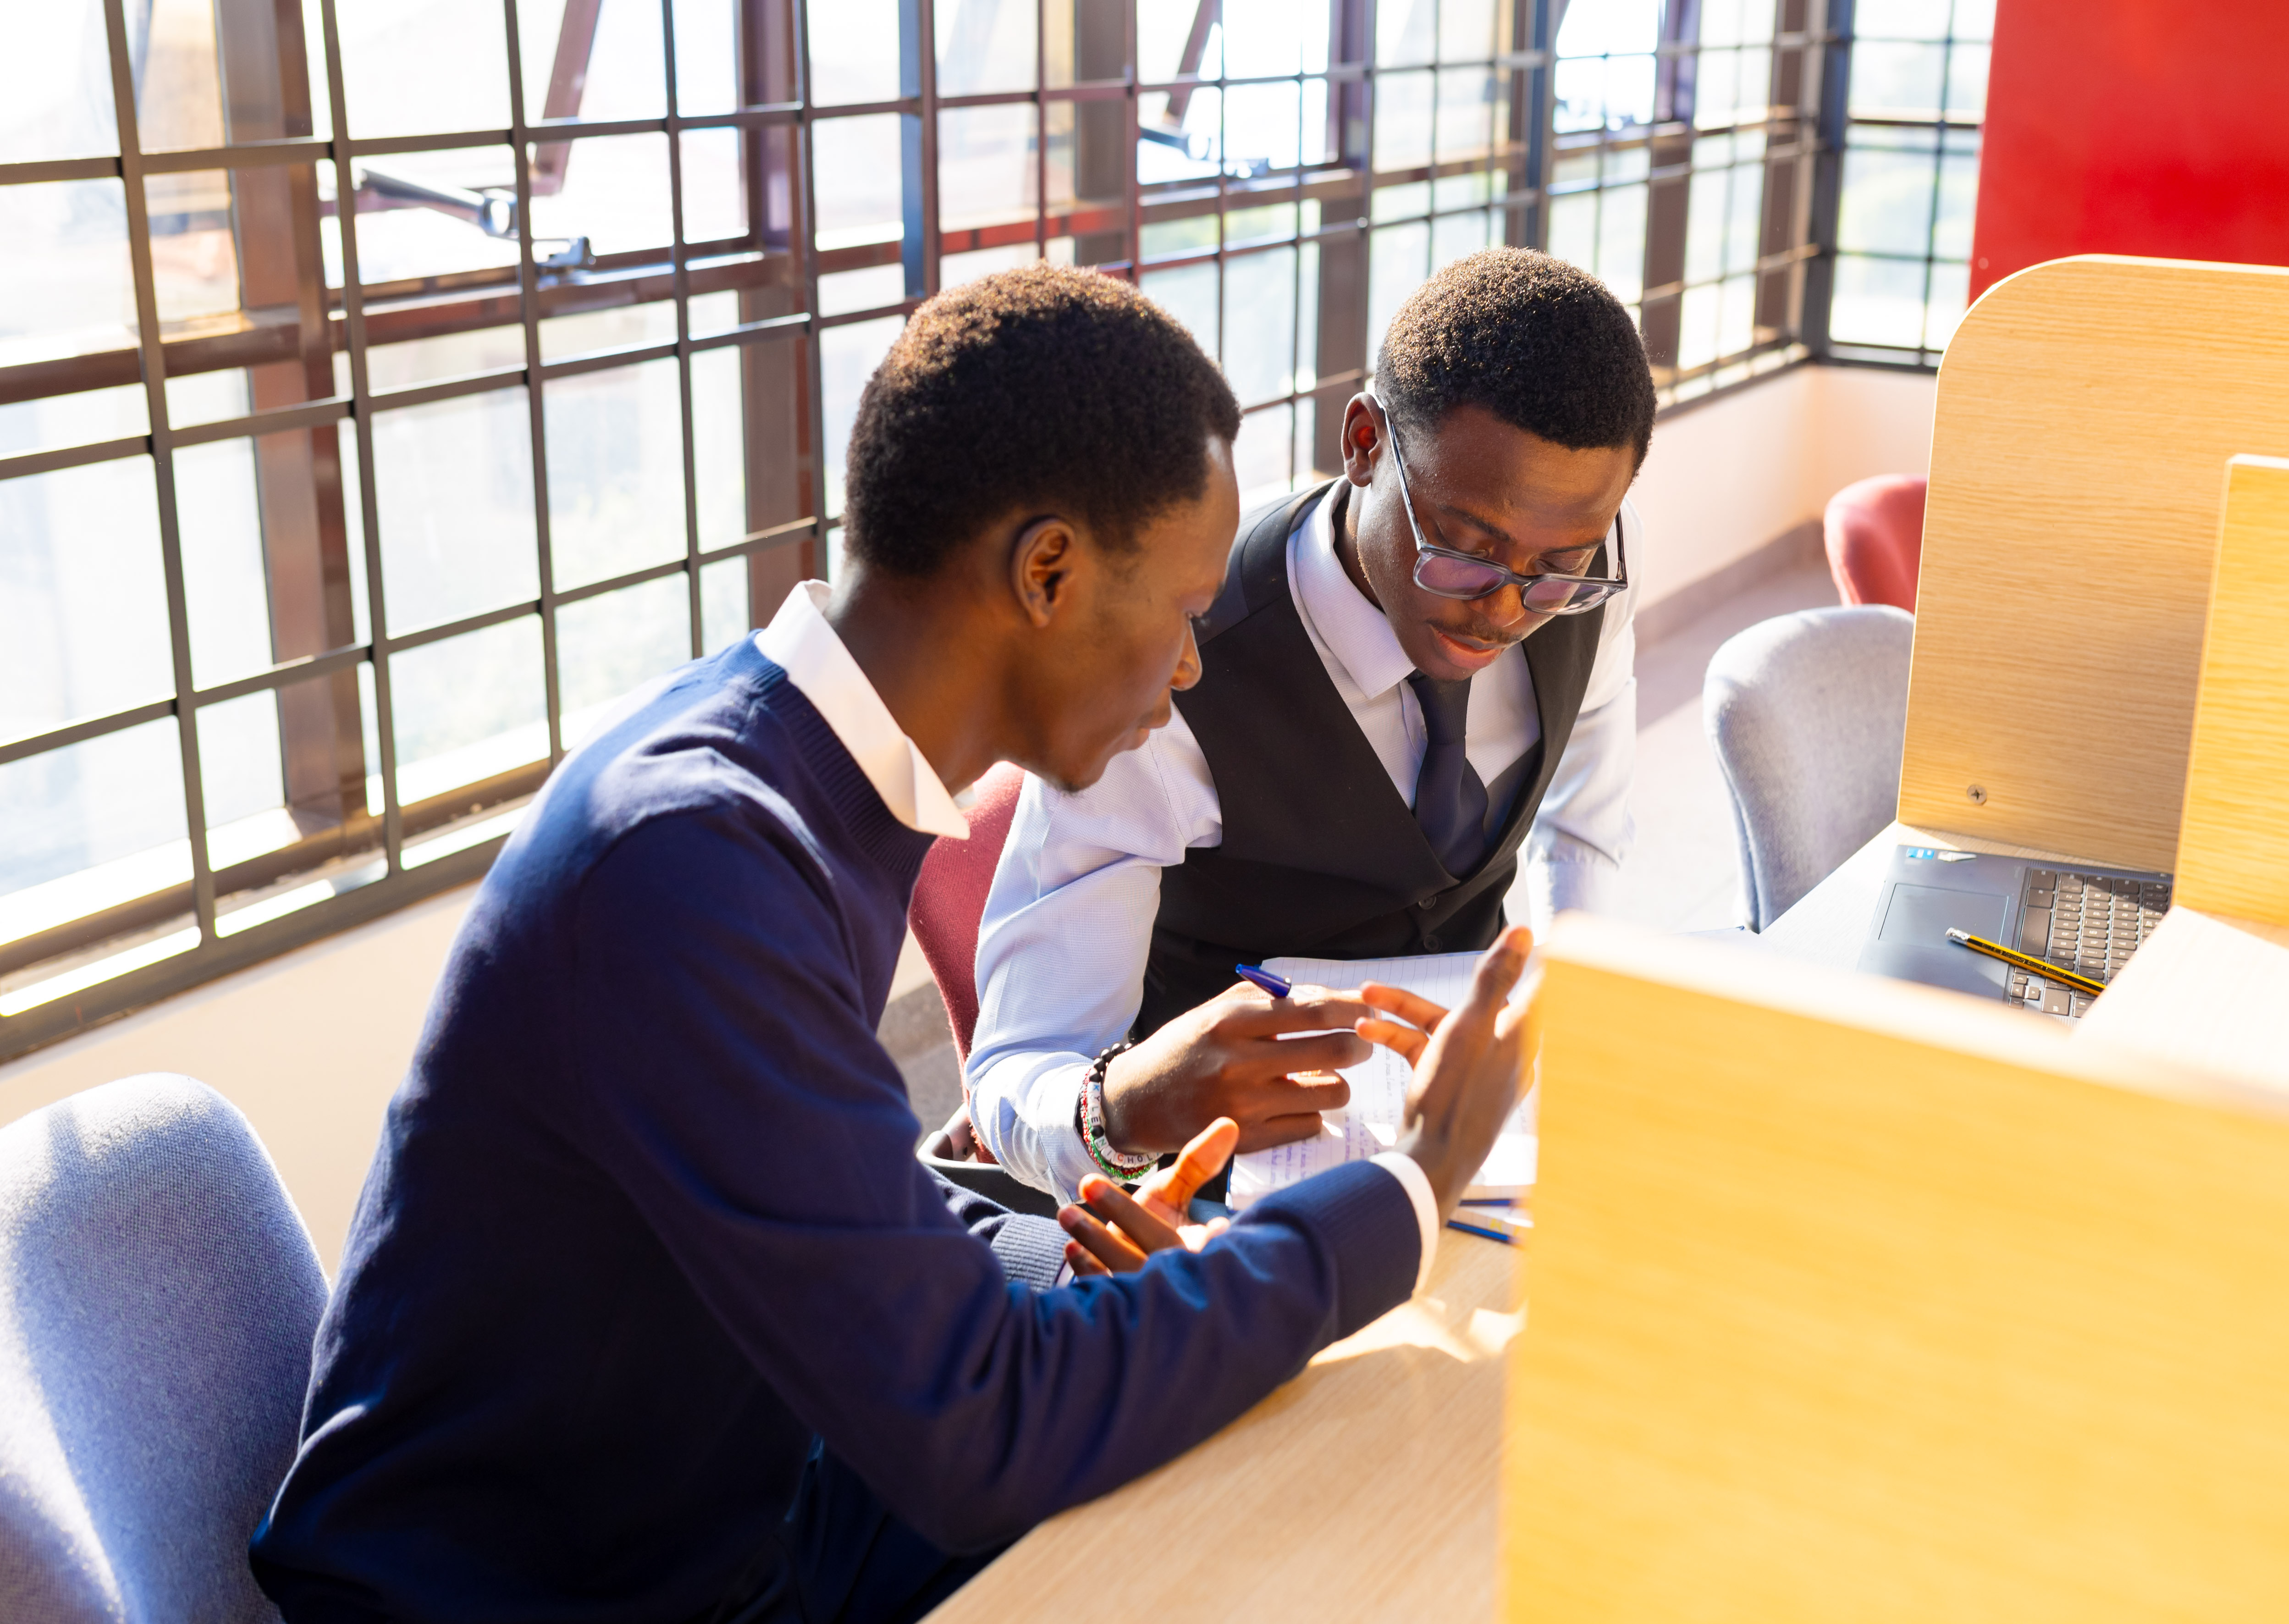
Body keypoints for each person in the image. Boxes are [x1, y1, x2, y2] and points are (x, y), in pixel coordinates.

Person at [248, 265, 1531, 1624]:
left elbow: (816, 1186)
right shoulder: (689, 866)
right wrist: (1406, 1185)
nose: (1190, 667)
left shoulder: (796, 773)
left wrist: (1061, 1242)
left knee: (1285, 1487)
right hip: (537, 1595)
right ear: (1047, 573)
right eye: (1183, 610)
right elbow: (977, 1427)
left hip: (735, 1488)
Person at [965, 247, 1652, 1200]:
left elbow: (1583, 823)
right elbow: (1016, 1070)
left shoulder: (1586, 577)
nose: (1506, 608)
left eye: (1558, 566)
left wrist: (1569, 995)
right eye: (1465, 549)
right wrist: (1126, 1110)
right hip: (1225, 1195)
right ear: (1364, 442)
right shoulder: (1165, 670)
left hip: (1483, 1153)